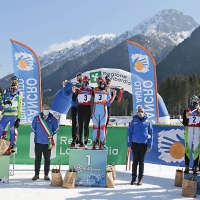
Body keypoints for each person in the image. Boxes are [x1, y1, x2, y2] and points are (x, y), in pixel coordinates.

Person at [31, 104, 59, 181]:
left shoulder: (52, 119)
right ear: (42, 110)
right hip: (38, 142)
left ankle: (46, 174)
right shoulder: (37, 118)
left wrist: (50, 135)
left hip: (48, 142)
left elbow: (56, 129)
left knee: (47, 159)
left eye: (47, 109)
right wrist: (39, 134)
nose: (46, 110)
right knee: (37, 159)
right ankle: (36, 174)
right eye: (44, 109)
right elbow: (33, 128)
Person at [127, 106, 153, 185]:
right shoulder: (133, 121)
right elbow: (129, 133)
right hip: (135, 144)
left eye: (141, 111)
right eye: (138, 111)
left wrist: (150, 145)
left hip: (143, 144)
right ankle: (133, 178)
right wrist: (129, 144)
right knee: (135, 161)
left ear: (144, 112)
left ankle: (140, 179)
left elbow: (151, 133)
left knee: (141, 162)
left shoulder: (148, 122)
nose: (140, 112)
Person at [92, 76, 116, 150]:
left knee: (102, 127)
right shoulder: (95, 89)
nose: (100, 84)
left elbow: (109, 101)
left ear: (104, 83)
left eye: (101, 82)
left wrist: (114, 95)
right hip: (96, 108)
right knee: (95, 127)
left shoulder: (107, 90)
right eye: (99, 83)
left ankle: (101, 144)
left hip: (103, 109)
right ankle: (94, 143)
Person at [0, 76, 22, 154]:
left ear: (17, 85)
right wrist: (5, 103)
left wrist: (19, 118)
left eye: (15, 84)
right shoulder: (6, 93)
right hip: (5, 115)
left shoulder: (19, 95)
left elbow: (20, 107)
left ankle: (12, 146)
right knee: (0, 128)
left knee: (13, 131)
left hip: (14, 116)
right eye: (12, 83)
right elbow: (1, 105)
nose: (13, 86)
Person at [62, 72, 83, 148]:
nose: (79, 78)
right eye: (78, 77)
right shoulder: (74, 86)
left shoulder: (84, 86)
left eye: (80, 77)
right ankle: (74, 140)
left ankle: (80, 140)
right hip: (74, 106)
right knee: (74, 123)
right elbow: (66, 94)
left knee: (80, 123)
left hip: (82, 106)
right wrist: (64, 86)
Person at [72, 75, 93, 148]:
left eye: (87, 81)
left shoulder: (91, 89)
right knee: (80, 125)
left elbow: (97, 96)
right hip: (80, 107)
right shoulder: (79, 89)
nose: (86, 83)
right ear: (82, 81)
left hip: (87, 108)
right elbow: (74, 99)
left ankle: (86, 142)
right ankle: (79, 141)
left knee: (86, 126)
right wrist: (74, 92)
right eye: (84, 81)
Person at [182, 95, 200, 175]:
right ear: (191, 102)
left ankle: (195, 166)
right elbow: (184, 123)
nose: (195, 102)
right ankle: (187, 166)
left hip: (197, 130)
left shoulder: (199, 110)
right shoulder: (187, 110)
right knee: (188, 148)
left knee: (196, 149)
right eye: (193, 101)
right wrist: (186, 116)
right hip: (189, 129)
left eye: (196, 101)